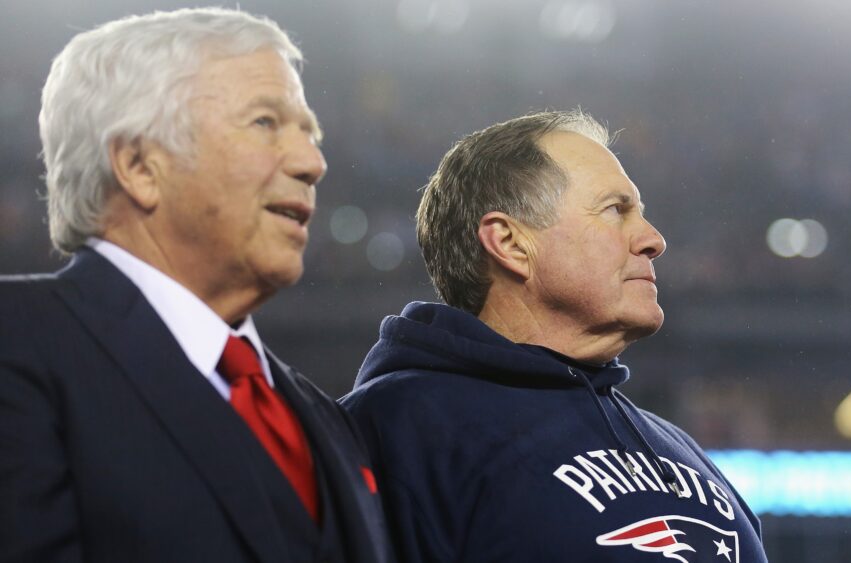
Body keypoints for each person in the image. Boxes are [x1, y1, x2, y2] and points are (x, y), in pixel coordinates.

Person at [0, 8, 392, 562]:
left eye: (310, 133)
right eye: (265, 122)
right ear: (139, 164)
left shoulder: (322, 414)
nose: (313, 162)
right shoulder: (16, 344)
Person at [342, 110, 769, 562]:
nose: (653, 239)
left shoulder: (681, 449)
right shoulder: (394, 430)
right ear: (509, 243)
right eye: (614, 210)